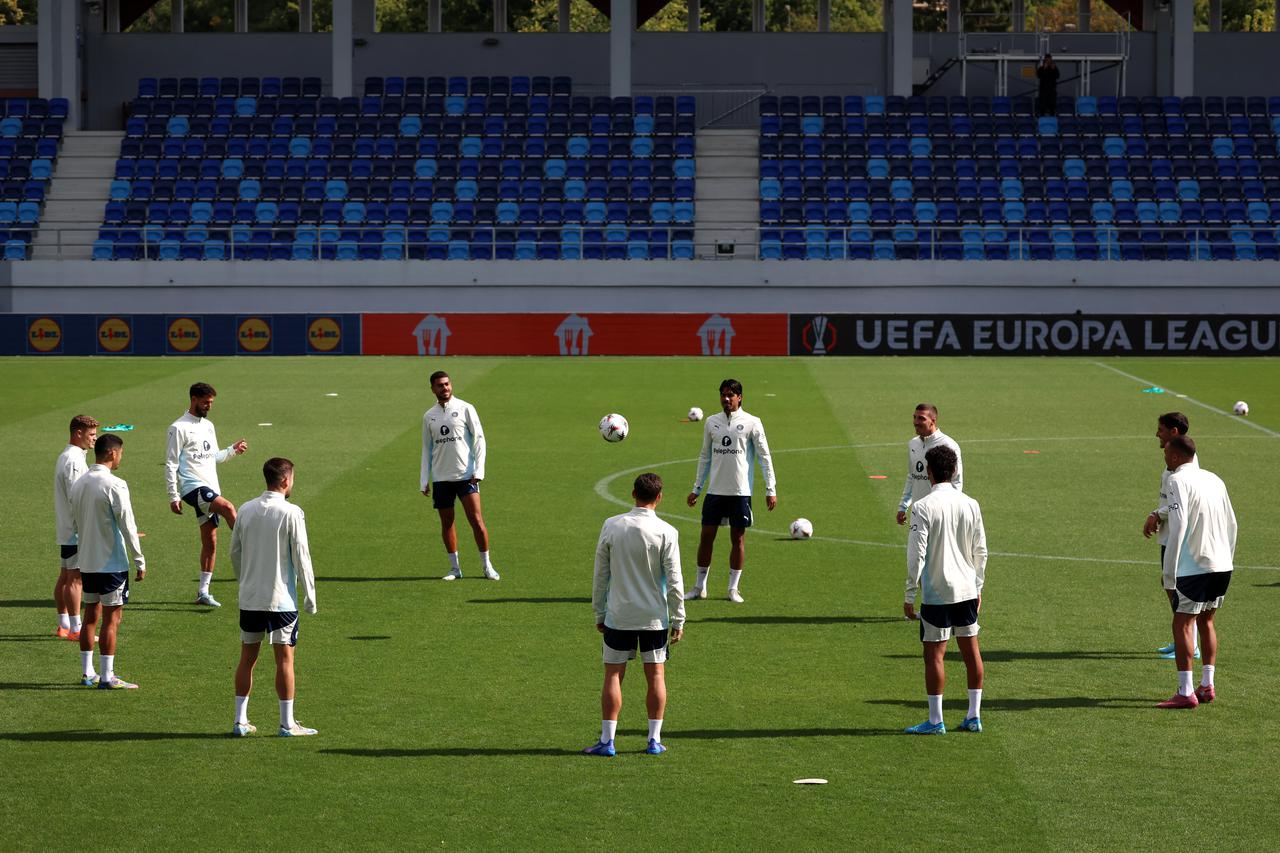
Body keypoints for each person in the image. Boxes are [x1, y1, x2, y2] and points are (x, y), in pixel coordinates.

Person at [584, 473, 685, 757]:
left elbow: (600, 573)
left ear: (633, 494)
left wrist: (599, 611)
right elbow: (675, 580)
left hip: (619, 615)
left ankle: (608, 741)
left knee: (613, 674)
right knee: (655, 675)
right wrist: (679, 619)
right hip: (654, 617)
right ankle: (654, 740)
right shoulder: (667, 531)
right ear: (659, 497)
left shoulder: (612, 525)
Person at [229, 458, 319, 737]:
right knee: (284, 660)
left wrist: (244, 580)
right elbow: (301, 557)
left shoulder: (245, 509)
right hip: (281, 600)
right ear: (284, 481)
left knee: (247, 658)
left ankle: (240, 721)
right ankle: (286, 723)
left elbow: (235, 552)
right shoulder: (292, 512)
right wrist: (310, 596)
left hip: (250, 598)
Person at [903, 445, 986, 735]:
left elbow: (916, 555)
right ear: (954, 471)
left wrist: (909, 594)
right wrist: (978, 587)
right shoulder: (971, 503)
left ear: (929, 471)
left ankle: (936, 720)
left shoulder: (923, 507)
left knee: (934, 656)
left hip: (937, 593)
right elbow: (981, 551)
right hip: (966, 590)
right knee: (971, 652)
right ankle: (973, 716)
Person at [1156, 436, 1236, 709]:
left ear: (1177, 457)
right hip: (1222, 565)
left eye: (1167, 453)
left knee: (1182, 624)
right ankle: (1207, 685)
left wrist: (1170, 570)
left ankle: (1185, 691)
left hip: (1193, 568)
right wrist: (1228, 558)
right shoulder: (1215, 478)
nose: (1164, 456)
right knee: (1207, 622)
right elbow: (1232, 523)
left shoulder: (1176, 481)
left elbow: (1178, 527)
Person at [684, 379, 777, 603]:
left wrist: (770, 488)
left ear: (740, 397)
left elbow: (765, 456)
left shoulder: (752, 422)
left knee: (738, 539)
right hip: (715, 491)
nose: (726, 399)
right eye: (723, 395)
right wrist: (697, 488)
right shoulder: (711, 422)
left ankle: (733, 589)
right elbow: (705, 456)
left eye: (731, 395)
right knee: (706, 537)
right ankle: (699, 587)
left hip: (740, 492)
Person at [70, 434, 146, 690]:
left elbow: (74, 523)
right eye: (120, 453)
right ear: (113, 453)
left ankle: (86, 672)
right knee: (112, 619)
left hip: (87, 562)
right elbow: (127, 524)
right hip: (112, 564)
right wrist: (139, 559)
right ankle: (107, 676)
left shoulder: (78, 484)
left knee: (90, 616)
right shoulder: (115, 484)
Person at [165, 382, 247, 607]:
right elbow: (171, 463)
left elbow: (213, 457)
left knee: (210, 541)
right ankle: (252, 544)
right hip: (192, 487)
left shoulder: (208, 426)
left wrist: (232, 451)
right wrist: (173, 495)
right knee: (229, 508)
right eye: (205, 402)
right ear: (193, 399)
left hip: (210, 487)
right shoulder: (178, 428)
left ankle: (203, 592)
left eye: (211, 402)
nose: (209, 406)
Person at [421, 370, 499, 581]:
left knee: (476, 520)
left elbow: (480, 439)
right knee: (447, 524)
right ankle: (455, 569)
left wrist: (479, 470)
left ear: (451, 385)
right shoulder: (429, 416)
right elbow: (426, 449)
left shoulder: (465, 408)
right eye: (439, 385)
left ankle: (487, 566)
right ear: (432, 389)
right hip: (441, 479)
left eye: (447, 384)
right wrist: (423, 480)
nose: (444, 388)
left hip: (466, 476)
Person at [1142, 412, 1199, 660]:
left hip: (1178, 534)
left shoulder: (1183, 462)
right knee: (1170, 587)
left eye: (1161, 429)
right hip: (1168, 531)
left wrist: (1157, 513)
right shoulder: (1173, 457)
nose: (1157, 434)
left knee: (1177, 588)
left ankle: (1189, 645)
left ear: (1173, 432)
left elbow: (1183, 501)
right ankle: (1182, 640)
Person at [53, 415, 98, 640]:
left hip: (67, 527)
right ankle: (75, 628)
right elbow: (77, 496)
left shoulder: (70, 456)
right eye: (91, 434)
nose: (95, 439)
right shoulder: (73, 460)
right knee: (75, 578)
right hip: (76, 529)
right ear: (77, 433)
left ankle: (63, 624)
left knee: (65, 576)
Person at [896, 403, 962, 528]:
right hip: (918, 512)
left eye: (921, 418)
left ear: (933, 421)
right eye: (914, 417)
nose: (916, 422)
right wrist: (903, 506)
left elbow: (957, 481)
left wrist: (951, 511)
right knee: (916, 547)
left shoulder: (948, 445)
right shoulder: (913, 444)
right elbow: (912, 476)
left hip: (941, 514)